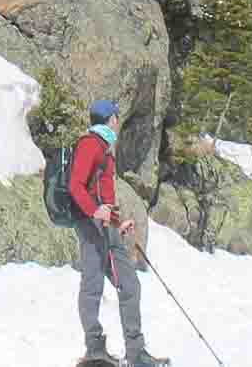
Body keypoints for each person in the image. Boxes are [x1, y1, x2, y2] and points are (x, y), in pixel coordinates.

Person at [67, 98, 168, 367]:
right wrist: (93, 212)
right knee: (92, 286)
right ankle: (94, 349)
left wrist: (116, 222)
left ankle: (136, 353)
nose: (117, 121)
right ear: (109, 118)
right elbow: (75, 185)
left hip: (107, 229)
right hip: (90, 228)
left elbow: (102, 195)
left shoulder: (104, 148)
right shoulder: (90, 145)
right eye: (115, 117)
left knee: (130, 285)